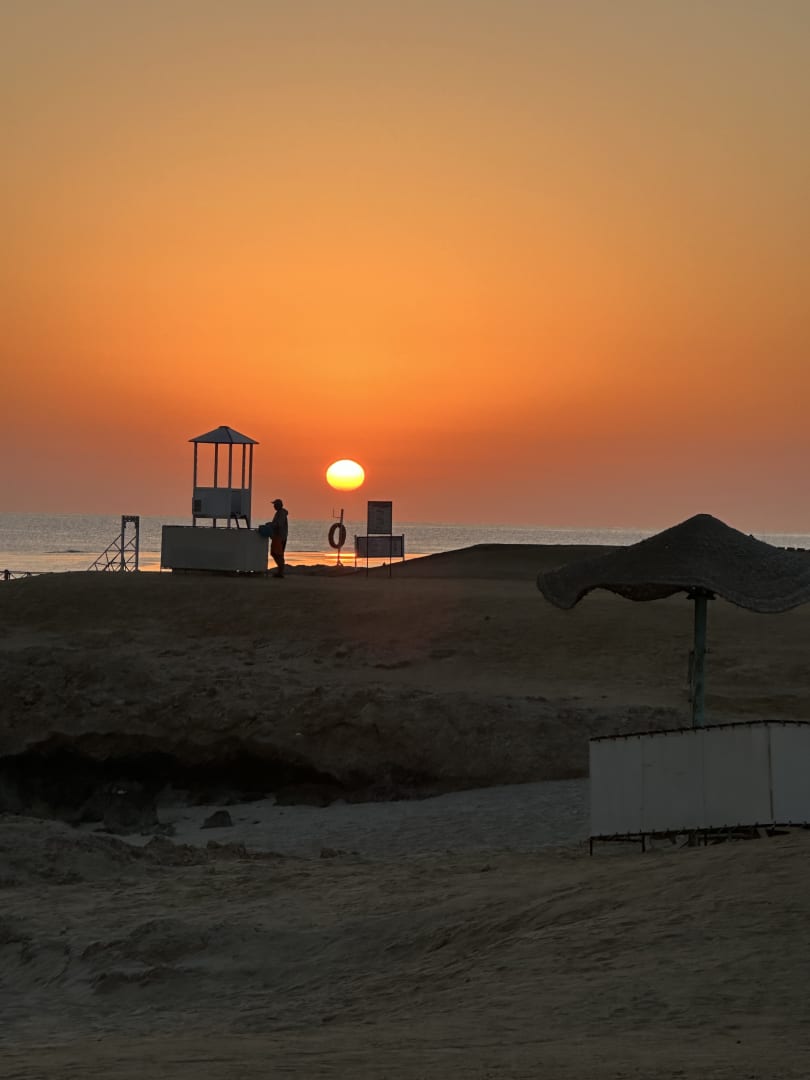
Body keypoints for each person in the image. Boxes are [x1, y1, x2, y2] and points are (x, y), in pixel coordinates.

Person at [269, 498, 288, 577]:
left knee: (277, 554)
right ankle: (280, 571)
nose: (274, 506)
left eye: (275, 504)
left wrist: (271, 524)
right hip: (278, 537)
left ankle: (280, 572)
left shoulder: (281, 513)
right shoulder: (279, 513)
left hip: (279, 537)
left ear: (278, 505)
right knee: (277, 554)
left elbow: (279, 524)